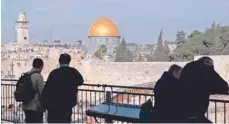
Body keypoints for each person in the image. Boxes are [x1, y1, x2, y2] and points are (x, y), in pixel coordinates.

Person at [179, 57, 229, 123]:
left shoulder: (187, 68)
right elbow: (224, 87)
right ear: (207, 62)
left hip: (180, 114)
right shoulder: (207, 70)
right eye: (212, 65)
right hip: (196, 116)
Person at [41, 53, 84, 123]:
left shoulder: (54, 73)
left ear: (59, 61)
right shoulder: (73, 72)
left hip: (53, 106)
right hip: (67, 105)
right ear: (69, 61)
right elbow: (81, 81)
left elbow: (46, 89)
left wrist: (45, 105)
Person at [23, 58, 45, 123]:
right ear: (41, 66)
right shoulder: (39, 76)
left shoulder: (26, 75)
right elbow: (42, 92)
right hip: (35, 107)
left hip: (25, 105)